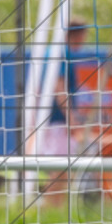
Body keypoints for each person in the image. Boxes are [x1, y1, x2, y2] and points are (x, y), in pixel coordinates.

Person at [37, 19, 90, 199]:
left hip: (49, 119)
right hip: (56, 120)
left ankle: (52, 207)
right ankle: (50, 208)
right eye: (83, 36)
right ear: (74, 35)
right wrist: (71, 118)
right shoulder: (60, 53)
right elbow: (58, 87)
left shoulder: (51, 52)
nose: (84, 41)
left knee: (63, 170)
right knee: (60, 169)